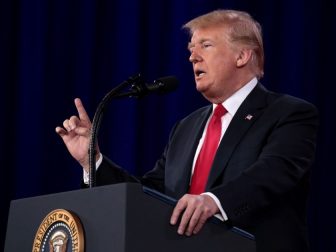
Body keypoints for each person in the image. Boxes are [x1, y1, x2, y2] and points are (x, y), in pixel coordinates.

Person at [56, 10, 318, 252]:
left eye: (205, 45)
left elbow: (272, 172)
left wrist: (212, 200)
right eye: (191, 49)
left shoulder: (289, 113)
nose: (192, 56)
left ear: (242, 55)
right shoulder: (185, 127)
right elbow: (149, 196)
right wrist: (92, 160)